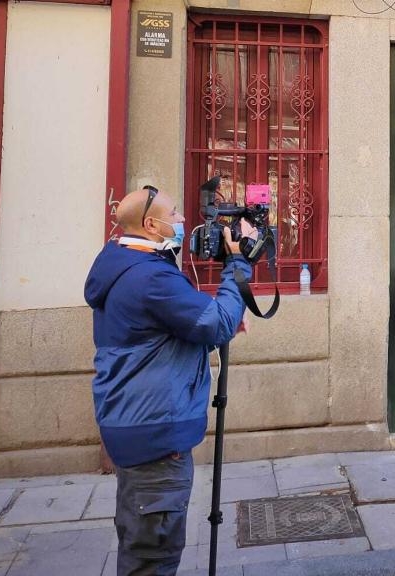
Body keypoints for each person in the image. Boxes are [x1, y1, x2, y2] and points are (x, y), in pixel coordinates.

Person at [84, 185, 254, 576]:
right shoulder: (151, 277)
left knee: (142, 545)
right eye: (173, 214)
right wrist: (237, 265)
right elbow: (215, 323)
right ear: (150, 225)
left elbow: (154, 337)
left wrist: (209, 324)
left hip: (136, 423)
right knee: (152, 558)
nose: (181, 220)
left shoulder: (122, 264)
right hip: (155, 433)